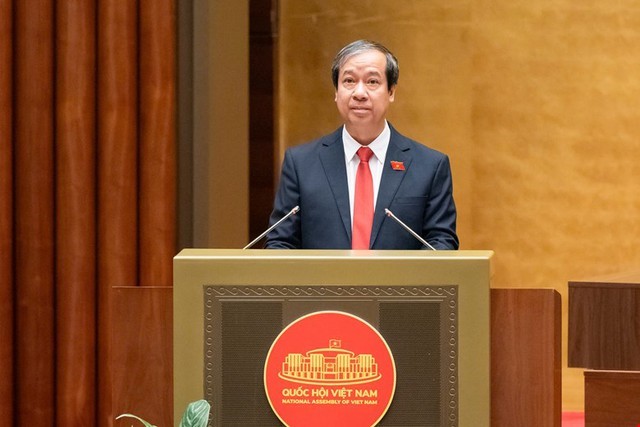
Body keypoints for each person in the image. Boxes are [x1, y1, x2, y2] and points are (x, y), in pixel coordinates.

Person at [264, 39, 459, 250]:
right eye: (349, 81)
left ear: (391, 91)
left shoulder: (430, 166)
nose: (359, 93)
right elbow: (280, 242)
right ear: (336, 91)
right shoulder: (301, 164)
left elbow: (441, 243)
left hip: (399, 274)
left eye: (372, 82)